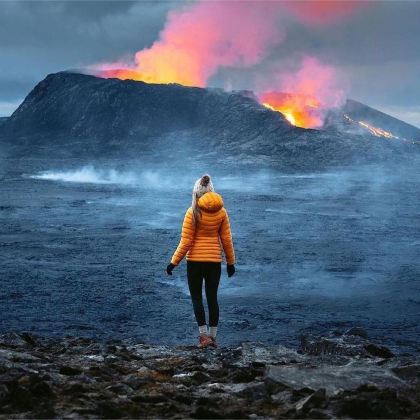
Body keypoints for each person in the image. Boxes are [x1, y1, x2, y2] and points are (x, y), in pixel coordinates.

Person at [166, 174, 236, 348]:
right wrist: (230, 262)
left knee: (197, 298)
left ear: (196, 191)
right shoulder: (222, 211)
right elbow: (227, 239)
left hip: (195, 262)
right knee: (212, 298)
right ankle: (213, 338)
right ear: (211, 189)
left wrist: (173, 262)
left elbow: (186, 241)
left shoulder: (193, 211)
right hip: (214, 261)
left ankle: (203, 337)